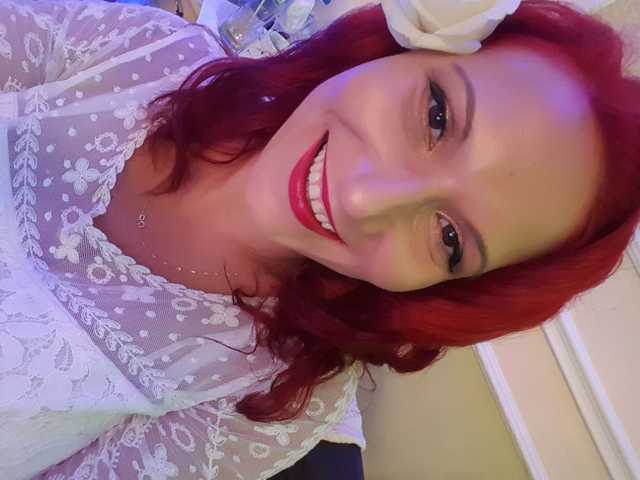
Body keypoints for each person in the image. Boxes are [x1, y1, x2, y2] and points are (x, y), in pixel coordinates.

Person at [0, 0, 638, 479]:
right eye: (437, 117)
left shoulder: (267, 401)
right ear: (398, 49)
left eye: (449, 238)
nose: (364, 200)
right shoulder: (141, 54)